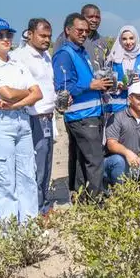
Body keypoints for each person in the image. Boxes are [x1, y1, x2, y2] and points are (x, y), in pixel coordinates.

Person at [0, 18, 43, 223]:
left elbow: (38, 93)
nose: (6, 39)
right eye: (0, 35)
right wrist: (23, 94)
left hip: (21, 119)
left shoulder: (18, 63)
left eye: (9, 35)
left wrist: (16, 102)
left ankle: (30, 230)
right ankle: (10, 236)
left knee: (27, 178)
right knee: (4, 181)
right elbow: (6, 93)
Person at [53, 12, 112, 196]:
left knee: (81, 160)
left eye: (86, 31)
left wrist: (99, 84)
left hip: (91, 113)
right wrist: (90, 85)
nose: (84, 34)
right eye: (79, 30)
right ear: (67, 30)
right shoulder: (64, 54)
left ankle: (82, 198)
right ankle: (96, 201)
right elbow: (63, 87)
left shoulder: (82, 51)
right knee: (95, 160)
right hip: (81, 116)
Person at [10, 18, 58, 214]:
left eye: (49, 36)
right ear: (30, 34)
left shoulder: (46, 55)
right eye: (42, 36)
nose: (46, 39)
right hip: (31, 116)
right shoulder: (19, 56)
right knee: (33, 167)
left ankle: (44, 205)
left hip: (48, 116)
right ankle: (35, 210)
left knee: (46, 165)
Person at [105, 26, 140, 114]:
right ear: (120, 40)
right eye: (124, 39)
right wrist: (118, 86)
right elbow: (107, 86)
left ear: (136, 38)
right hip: (117, 108)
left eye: (131, 38)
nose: (128, 42)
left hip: (139, 108)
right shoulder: (113, 59)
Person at [53, 3, 108, 71]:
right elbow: (58, 62)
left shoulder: (102, 41)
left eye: (97, 17)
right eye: (90, 17)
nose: (94, 20)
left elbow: (107, 65)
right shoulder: (67, 37)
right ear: (82, 18)